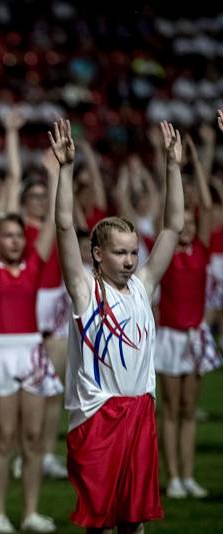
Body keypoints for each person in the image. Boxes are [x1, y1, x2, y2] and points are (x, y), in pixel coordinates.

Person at [52, 119, 184, 532]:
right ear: (97, 254)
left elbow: (173, 227)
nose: (130, 260)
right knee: (102, 522)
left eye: (132, 252)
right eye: (119, 253)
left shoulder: (143, 286)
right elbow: (61, 227)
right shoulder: (85, 290)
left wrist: (172, 167)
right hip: (98, 415)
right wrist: (66, 169)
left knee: (135, 520)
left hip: (140, 409)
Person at [0, 137, 62, 532]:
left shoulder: (34, 265)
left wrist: (57, 174)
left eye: (17, 235)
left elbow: (54, 224)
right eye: (6, 236)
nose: (15, 240)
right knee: (3, 440)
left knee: (31, 439)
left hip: (32, 352)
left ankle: (29, 512)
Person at [155, 129, 221, 499]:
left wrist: (194, 162)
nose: (189, 228)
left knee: (187, 409)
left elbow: (209, 207)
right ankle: (174, 476)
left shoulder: (202, 250)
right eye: (185, 223)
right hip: (169, 336)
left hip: (194, 336)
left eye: (193, 225)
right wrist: (173, 166)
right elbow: (174, 212)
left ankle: (188, 474)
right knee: (169, 410)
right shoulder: (167, 252)